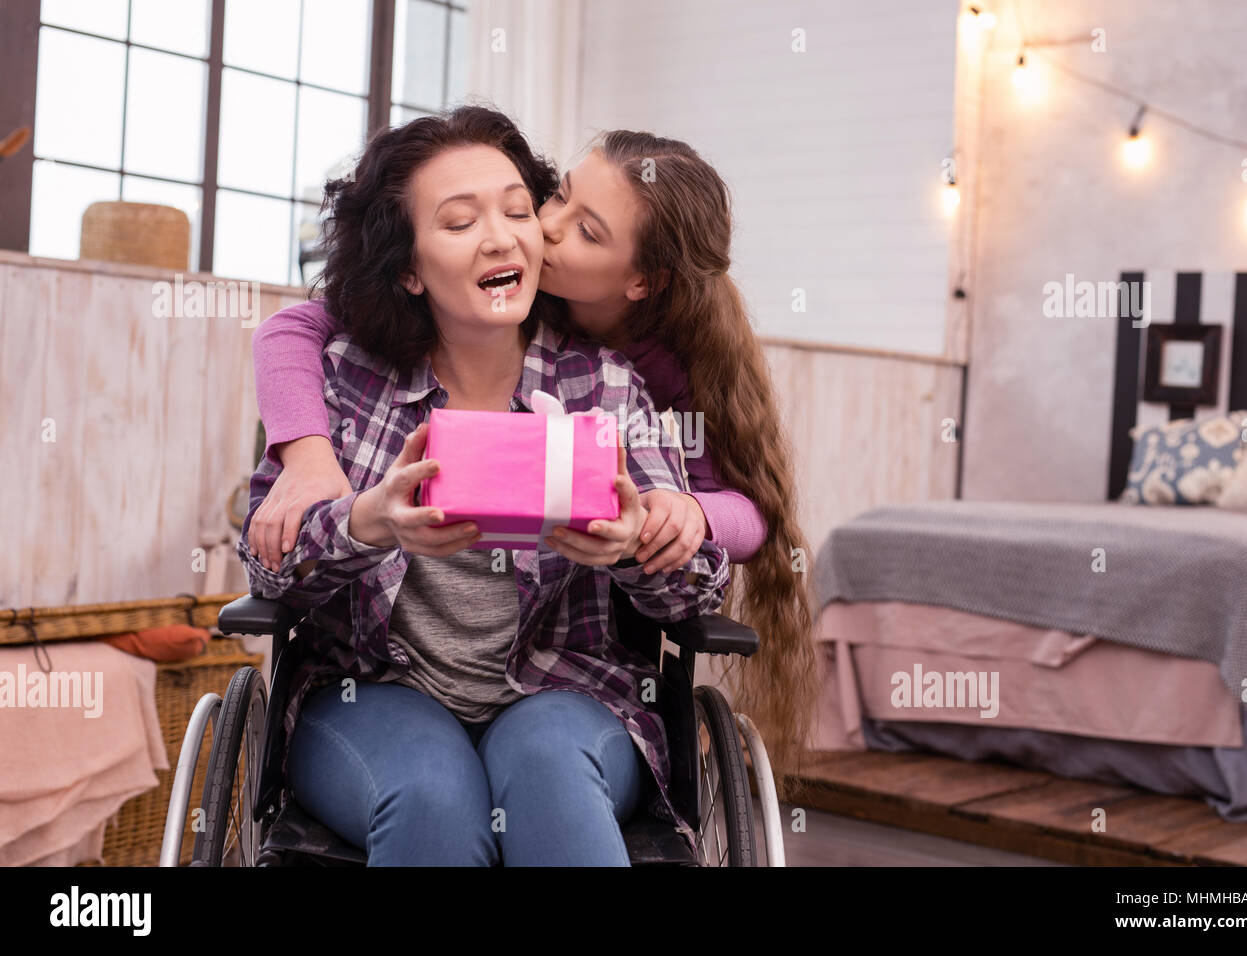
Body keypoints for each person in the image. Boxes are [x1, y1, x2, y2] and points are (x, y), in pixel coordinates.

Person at [248, 127, 820, 807]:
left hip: (560, 683)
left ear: (640, 281)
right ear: (408, 267)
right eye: (556, 200)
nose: (538, 232)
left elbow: (744, 516)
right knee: (431, 797)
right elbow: (288, 330)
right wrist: (334, 486)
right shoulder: (357, 367)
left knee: (551, 777)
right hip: (379, 686)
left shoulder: (630, 375)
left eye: (524, 211)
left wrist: (661, 529)